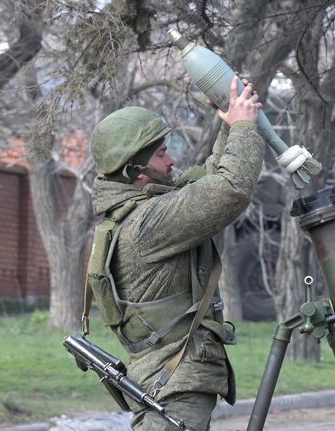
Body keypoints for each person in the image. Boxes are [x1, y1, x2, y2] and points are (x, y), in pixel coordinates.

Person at [87, 76, 264, 431]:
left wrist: (230, 128)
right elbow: (228, 190)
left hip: (170, 383)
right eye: (160, 153)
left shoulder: (140, 213)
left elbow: (206, 186)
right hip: (174, 385)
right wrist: (244, 127)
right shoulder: (148, 223)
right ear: (134, 172)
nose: (171, 160)